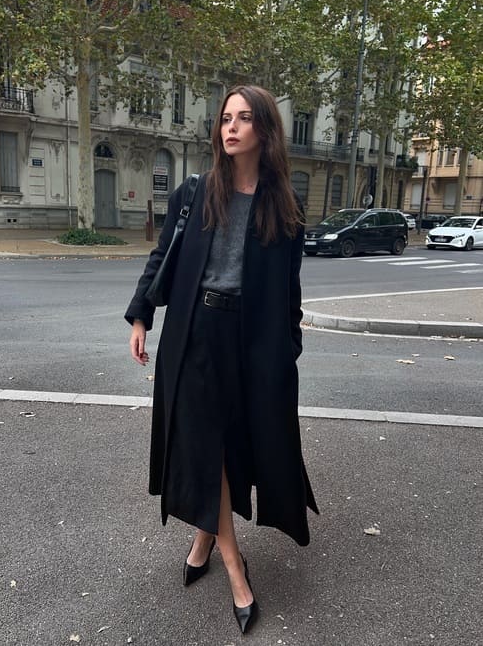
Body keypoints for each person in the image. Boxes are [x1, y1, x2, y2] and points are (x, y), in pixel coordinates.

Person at [125, 84, 318, 634]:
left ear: (264, 129)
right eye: (225, 118)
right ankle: (235, 564)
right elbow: (162, 257)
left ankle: (207, 535)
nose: (229, 128)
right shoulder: (196, 191)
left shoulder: (283, 206)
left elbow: (290, 293)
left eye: (242, 119)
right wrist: (141, 317)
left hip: (252, 340)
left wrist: (288, 351)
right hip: (195, 332)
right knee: (204, 438)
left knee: (235, 443)